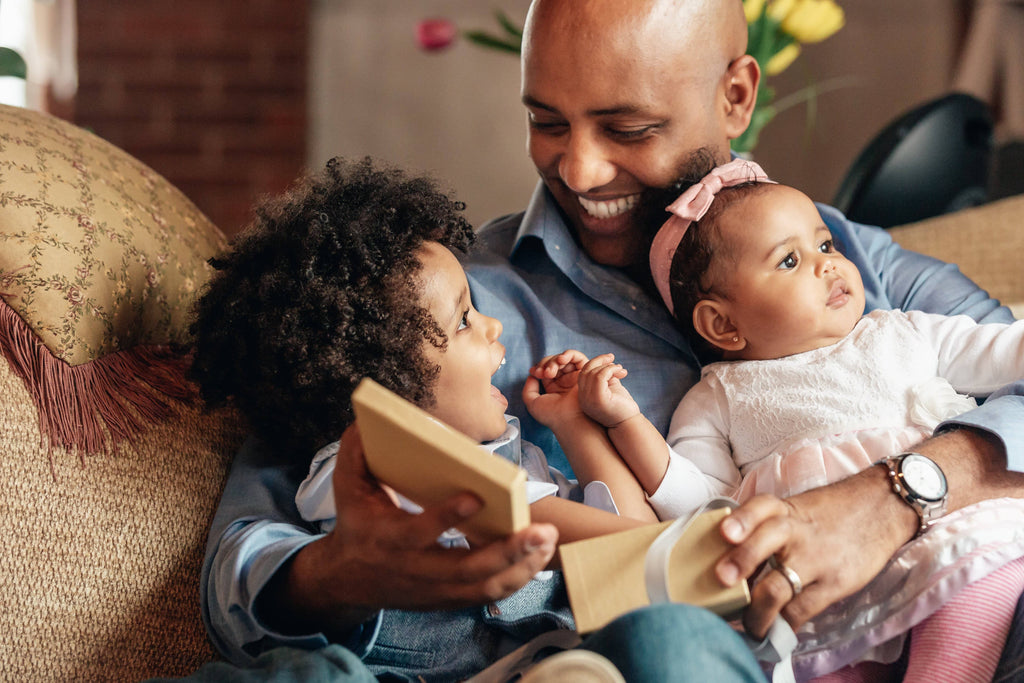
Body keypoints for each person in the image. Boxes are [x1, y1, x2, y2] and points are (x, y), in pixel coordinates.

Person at [199, 0, 1024, 679]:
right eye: (547, 121)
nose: (581, 170)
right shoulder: (441, 301)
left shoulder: (844, 257)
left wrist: (899, 491)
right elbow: (250, 546)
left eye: (628, 128)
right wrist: (338, 574)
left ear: (735, 96)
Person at [188, 156, 757, 681]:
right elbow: (547, 525)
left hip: (540, 662)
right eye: (464, 319)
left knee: (663, 637)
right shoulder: (362, 469)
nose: (493, 327)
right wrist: (699, 552)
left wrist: (576, 428)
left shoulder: (521, 458)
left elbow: (625, 569)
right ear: (383, 385)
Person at [531, 158, 1024, 681]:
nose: (827, 264)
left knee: (979, 581)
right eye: (789, 261)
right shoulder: (716, 397)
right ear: (721, 323)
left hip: (943, 528)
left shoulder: (905, 332)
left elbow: (1003, 350)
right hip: (816, 585)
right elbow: (698, 504)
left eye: (826, 245)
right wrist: (625, 419)